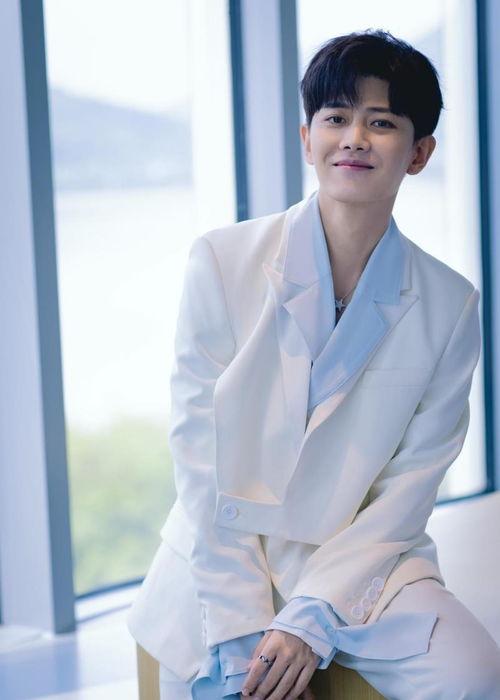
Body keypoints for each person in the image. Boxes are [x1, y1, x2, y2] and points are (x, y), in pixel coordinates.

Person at [127, 29, 500, 699]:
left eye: (381, 122)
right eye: (335, 118)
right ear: (307, 139)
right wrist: (245, 624)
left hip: (362, 559)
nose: (354, 138)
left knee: (475, 675)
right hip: (228, 554)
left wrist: (311, 614)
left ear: (419, 153)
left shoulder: (451, 303)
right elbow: (199, 457)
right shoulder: (221, 262)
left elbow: (411, 486)